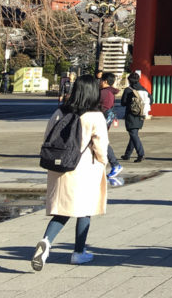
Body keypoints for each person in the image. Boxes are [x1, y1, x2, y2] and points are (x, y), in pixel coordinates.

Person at [31, 74, 109, 270]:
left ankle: (46, 242)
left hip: (59, 167)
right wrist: (104, 163)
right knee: (85, 210)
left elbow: (48, 135)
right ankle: (79, 252)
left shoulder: (60, 111)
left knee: (62, 210)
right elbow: (101, 146)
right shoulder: (95, 115)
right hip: (84, 168)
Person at [120, 71, 149, 162]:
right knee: (134, 134)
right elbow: (150, 100)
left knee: (133, 134)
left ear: (129, 80)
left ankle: (141, 154)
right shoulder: (144, 89)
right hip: (141, 114)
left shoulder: (128, 90)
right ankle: (127, 154)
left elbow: (123, 103)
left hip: (131, 115)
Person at [99, 72, 122, 181]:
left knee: (101, 141)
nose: (99, 82)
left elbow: (102, 106)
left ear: (105, 81)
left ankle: (115, 164)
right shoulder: (110, 92)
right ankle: (113, 164)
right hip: (107, 118)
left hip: (102, 118)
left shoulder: (104, 93)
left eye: (101, 80)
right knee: (101, 141)